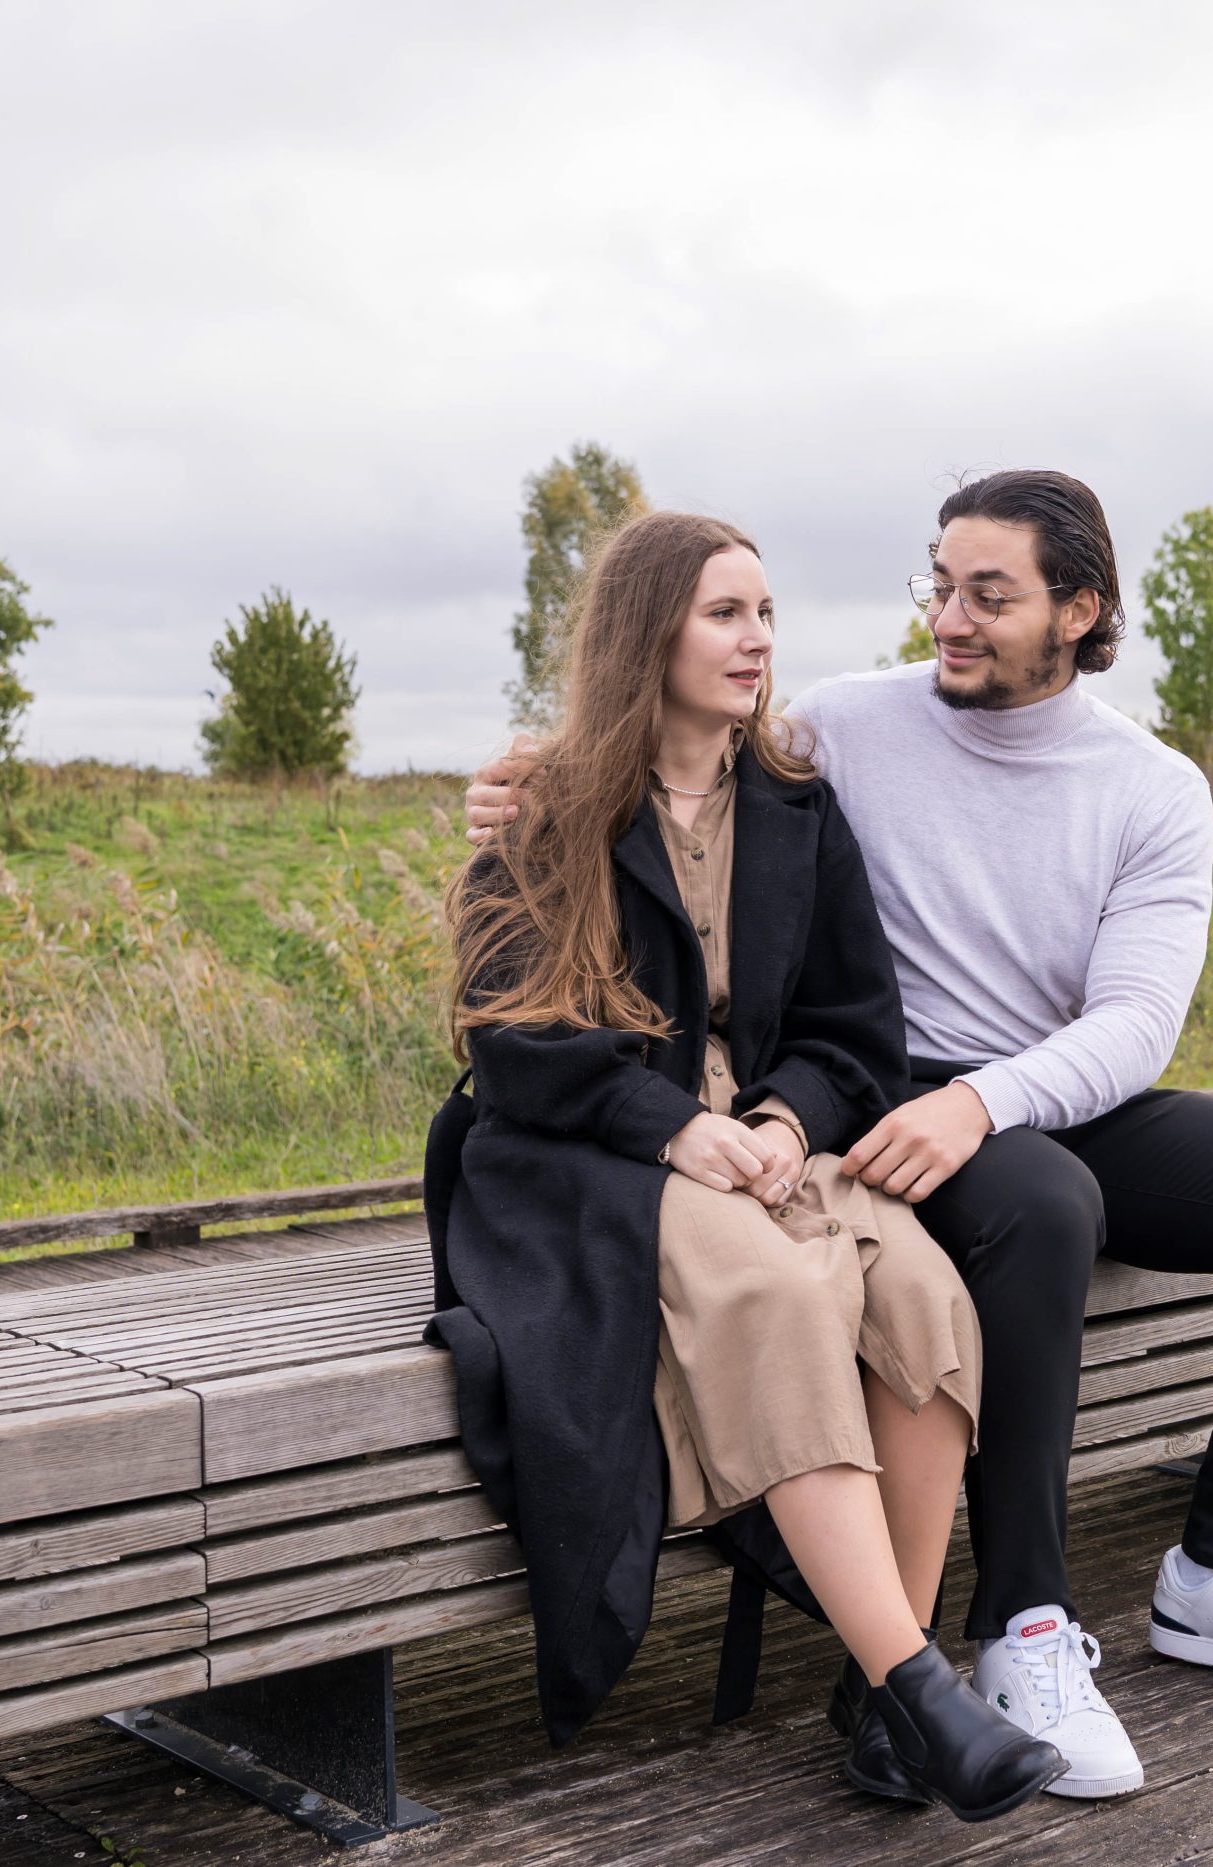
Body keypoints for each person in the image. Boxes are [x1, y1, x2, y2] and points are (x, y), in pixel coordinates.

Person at [466, 471, 1213, 1801]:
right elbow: (661, 764)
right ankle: (1018, 1628)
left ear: (1078, 612)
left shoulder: (1150, 786)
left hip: (1026, 1092)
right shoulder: (844, 726)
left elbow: (1136, 1022)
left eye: (987, 595)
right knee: (1043, 1211)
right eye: (938, 586)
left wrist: (982, 1101)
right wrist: (511, 796)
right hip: (883, 1092)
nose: (948, 620)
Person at [429, 509, 1065, 1821]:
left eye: (767, 614)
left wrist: (781, 1121)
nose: (757, 639)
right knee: (774, 1302)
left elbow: (855, 1034)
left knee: (923, 1297)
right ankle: (923, 1686)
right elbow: (515, 1051)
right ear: (644, 631)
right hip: (585, 1162)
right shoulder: (549, 812)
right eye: (726, 613)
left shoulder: (794, 809)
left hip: (760, 1146)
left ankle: (875, 1691)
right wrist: (675, 1128)